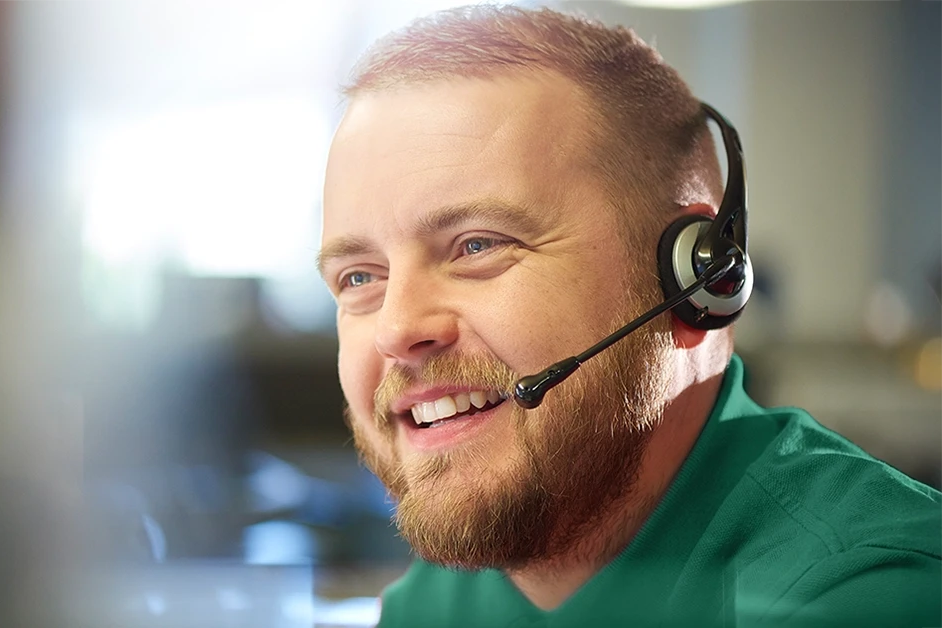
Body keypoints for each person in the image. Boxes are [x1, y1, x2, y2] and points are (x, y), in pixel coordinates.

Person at [316, 6, 942, 627]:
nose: (398, 330)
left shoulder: (866, 592)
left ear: (697, 279)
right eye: (360, 278)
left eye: (479, 245)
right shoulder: (437, 599)